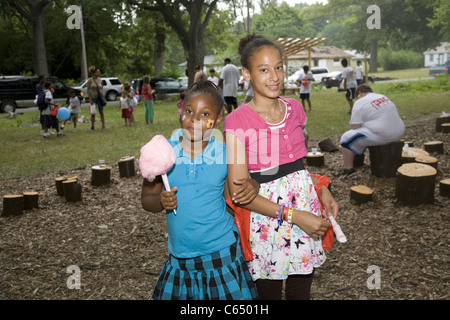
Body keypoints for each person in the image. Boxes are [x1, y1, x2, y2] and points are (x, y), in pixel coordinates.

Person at [223, 34, 338, 300]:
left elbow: (297, 167)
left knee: (300, 291)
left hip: (305, 210)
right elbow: (240, 194)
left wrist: (321, 190)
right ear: (247, 74)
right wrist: (296, 217)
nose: (274, 76)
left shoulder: (295, 108)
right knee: (269, 293)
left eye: (278, 67)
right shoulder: (236, 121)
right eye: (263, 69)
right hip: (268, 220)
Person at [141, 80, 258, 300]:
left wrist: (253, 184)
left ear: (217, 120)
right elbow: (147, 198)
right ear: (181, 112)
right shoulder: (162, 151)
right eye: (189, 111)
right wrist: (160, 201)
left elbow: (234, 196)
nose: (195, 119)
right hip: (180, 259)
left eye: (205, 114)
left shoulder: (225, 154)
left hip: (222, 253)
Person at [339, 84, 405, 177]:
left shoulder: (360, 101)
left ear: (359, 93)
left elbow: (355, 126)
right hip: (399, 132)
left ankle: (349, 169)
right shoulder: (382, 96)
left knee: (346, 138)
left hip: (384, 135)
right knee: (362, 132)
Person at [87, 66, 106, 130]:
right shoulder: (90, 80)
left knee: (101, 111)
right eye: (98, 72)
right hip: (93, 98)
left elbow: (101, 88)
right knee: (93, 113)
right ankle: (92, 126)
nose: (99, 73)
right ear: (94, 73)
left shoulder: (100, 80)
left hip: (99, 98)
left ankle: (103, 125)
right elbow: (88, 90)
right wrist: (90, 99)